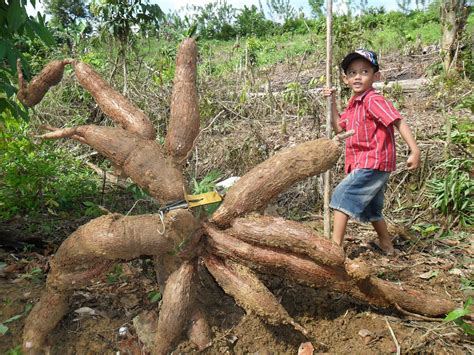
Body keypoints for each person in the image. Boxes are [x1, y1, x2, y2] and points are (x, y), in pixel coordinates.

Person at [323, 49, 420, 255]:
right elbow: (340, 129)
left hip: (373, 162)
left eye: (364, 71)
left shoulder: (373, 100)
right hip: (364, 163)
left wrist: (414, 149)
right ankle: (387, 246)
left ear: (376, 76)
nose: (358, 76)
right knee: (371, 209)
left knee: (341, 196)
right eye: (352, 72)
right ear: (345, 78)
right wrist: (331, 103)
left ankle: (334, 248)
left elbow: (397, 121)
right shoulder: (353, 104)